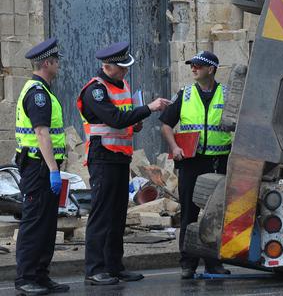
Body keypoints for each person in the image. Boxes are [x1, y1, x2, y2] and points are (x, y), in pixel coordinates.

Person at [77, 42, 170, 285]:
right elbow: (115, 119)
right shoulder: (95, 90)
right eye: (121, 68)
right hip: (102, 157)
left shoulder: (123, 85)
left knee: (118, 214)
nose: (126, 72)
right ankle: (94, 269)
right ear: (107, 66)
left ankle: (114, 266)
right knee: (101, 214)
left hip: (119, 156)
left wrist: (135, 123)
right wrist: (147, 109)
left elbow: (125, 118)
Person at [159, 51, 232, 279]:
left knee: (215, 215)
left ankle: (213, 262)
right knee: (190, 213)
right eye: (192, 66)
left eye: (198, 66)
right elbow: (166, 125)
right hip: (191, 163)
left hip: (219, 162)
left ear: (211, 69)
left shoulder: (227, 95)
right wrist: (174, 147)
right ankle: (188, 263)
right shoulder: (186, 94)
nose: (193, 69)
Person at [14, 38, 70, 295]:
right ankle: (26, 278)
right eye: (56, 62)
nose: (58, 66)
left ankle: (40, 275)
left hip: (42, 166)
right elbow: (41, 133)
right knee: (35, 223)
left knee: (47, 225)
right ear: (47, 63)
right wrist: (54, 170)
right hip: (39, 167)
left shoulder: (42, 90)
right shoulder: (38, 94)